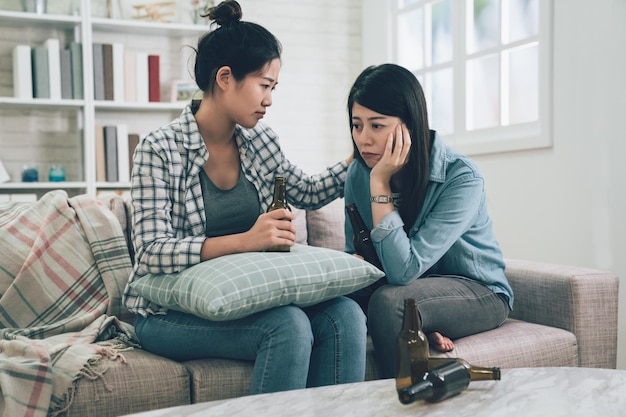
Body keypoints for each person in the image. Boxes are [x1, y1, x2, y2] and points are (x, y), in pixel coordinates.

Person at [122, 0, 366, 394]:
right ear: (225, 78)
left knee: (346, 315)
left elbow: (307, 190)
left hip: (246, 296)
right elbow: (150, 250)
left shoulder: (261, 141)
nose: (269, 99)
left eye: (273, 88)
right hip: (168, 314)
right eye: (264, 85)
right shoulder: (159, 148)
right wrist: (247, 241)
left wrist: (361, 152)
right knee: (288, 324)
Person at [343, 63, 513, 378]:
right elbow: (355, 256)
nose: (363, 139)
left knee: (392, 302)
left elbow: (403, 271)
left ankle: (403, 405)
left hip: (478, 291)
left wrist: (380, 186)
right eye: (356, 125)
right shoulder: (357, 173)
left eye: (376, 126)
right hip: (417, 293)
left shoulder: (461, 176)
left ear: (410, 124)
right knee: (335, 301)